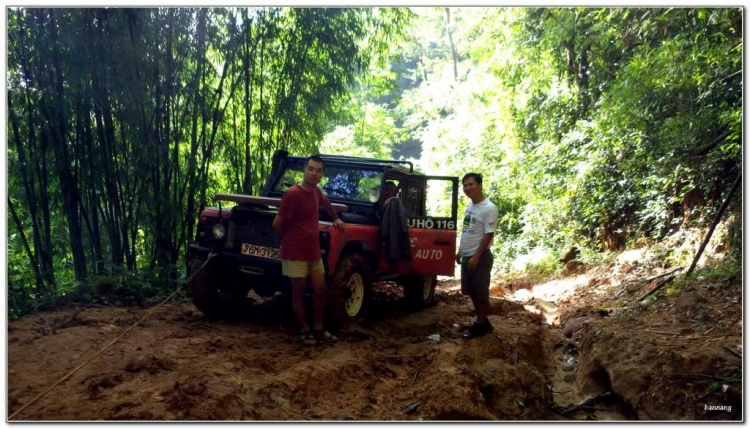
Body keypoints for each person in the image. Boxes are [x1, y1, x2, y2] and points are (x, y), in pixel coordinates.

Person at [273, 155, 345, 345]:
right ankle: (304, 330)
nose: (314, 173)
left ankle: (319, 328)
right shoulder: (293, 194)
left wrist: (335, 218)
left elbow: (326, 201)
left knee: (320, 289)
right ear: (304, 170)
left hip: (313, 252)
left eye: (318, 170)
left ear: (322, 174)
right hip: (295, 253)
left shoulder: (316, 192)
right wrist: (289, 240)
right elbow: (277, 223)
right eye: (311, 169)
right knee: (299, 291)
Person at [455, 173, 498, 339]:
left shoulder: (489, 208)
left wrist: (476, 257)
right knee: (470, 291)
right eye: (465, 185)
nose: (468, 188)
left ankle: (480, 324)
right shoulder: (470, 207)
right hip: (467, 255)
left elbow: (489, 234)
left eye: (471, 184)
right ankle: (483, 321)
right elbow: (466, 230)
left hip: (479, 256)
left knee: (481, 293)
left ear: (480, 185)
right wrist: (460, 250)